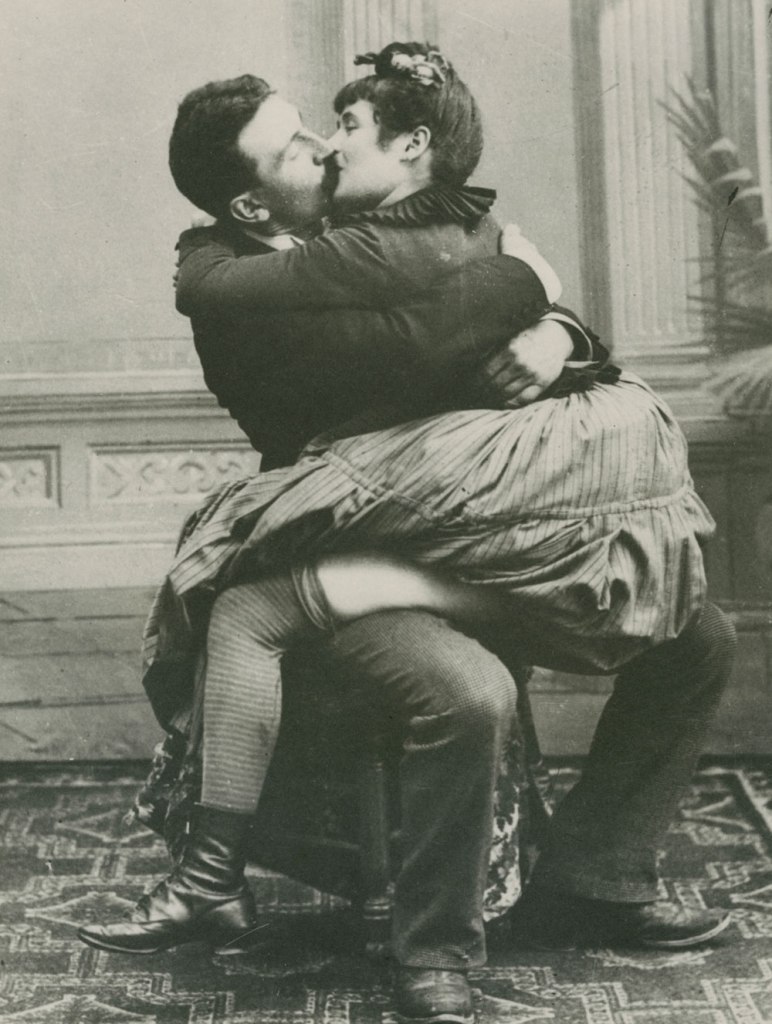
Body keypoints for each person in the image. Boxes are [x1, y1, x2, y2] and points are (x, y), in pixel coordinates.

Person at [78, 45, 736, 1024]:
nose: (322, 146)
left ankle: (596, 869)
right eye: (296, 146)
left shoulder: (374, 228)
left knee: (697, 635)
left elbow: (478, 321)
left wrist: (562, 332)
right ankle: (432, 950)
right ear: (255, 206)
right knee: (465, 694)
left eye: (321, 127)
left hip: (483, 531)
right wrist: (526, 276)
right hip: (347, 548)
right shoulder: (239, 296)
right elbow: (424, 347)